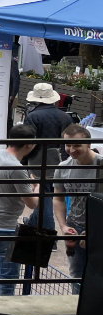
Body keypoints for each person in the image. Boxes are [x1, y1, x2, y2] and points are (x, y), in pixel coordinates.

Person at [0, 124, 39, 296]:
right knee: (9, 275)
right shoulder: (17, 169)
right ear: (29, 145)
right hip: (4, 227)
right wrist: (36, 187)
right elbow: (32, 204)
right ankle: (3, 311)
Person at [54, 124, 103, 293]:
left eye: (77, 145)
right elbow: (58, 198)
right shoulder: (63, 168)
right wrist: (63, 226)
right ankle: (76, 308)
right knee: (76, 274)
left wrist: (92, 230)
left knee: (97, 273)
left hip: (98, 229)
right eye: (68, 145)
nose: (71, 149)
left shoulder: (100, 166)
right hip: (74, 226)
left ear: (88, 144)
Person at [22, 82, 73, 234]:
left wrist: (23, 163)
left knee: (43, 197)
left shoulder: (32, 116)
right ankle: (32, 223)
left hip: (38, 161)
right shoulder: (65, 117)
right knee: (50, 195)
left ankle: (48, 232)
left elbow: (27, 142)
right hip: (61, 161)